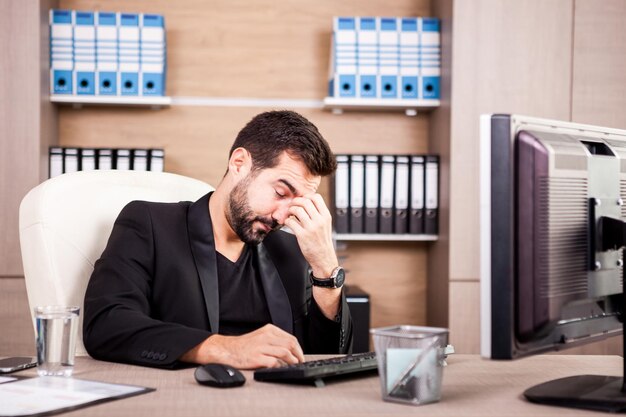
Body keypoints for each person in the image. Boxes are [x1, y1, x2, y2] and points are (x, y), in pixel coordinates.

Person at [83, 110, 352, 370]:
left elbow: (323, 359)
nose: (282, 217)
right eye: (281, 192)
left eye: (297, 203)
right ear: (239, 164)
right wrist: (226, 349)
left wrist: (326, 268)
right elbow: (106, 324)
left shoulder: (290, 251)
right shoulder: (150, 223)